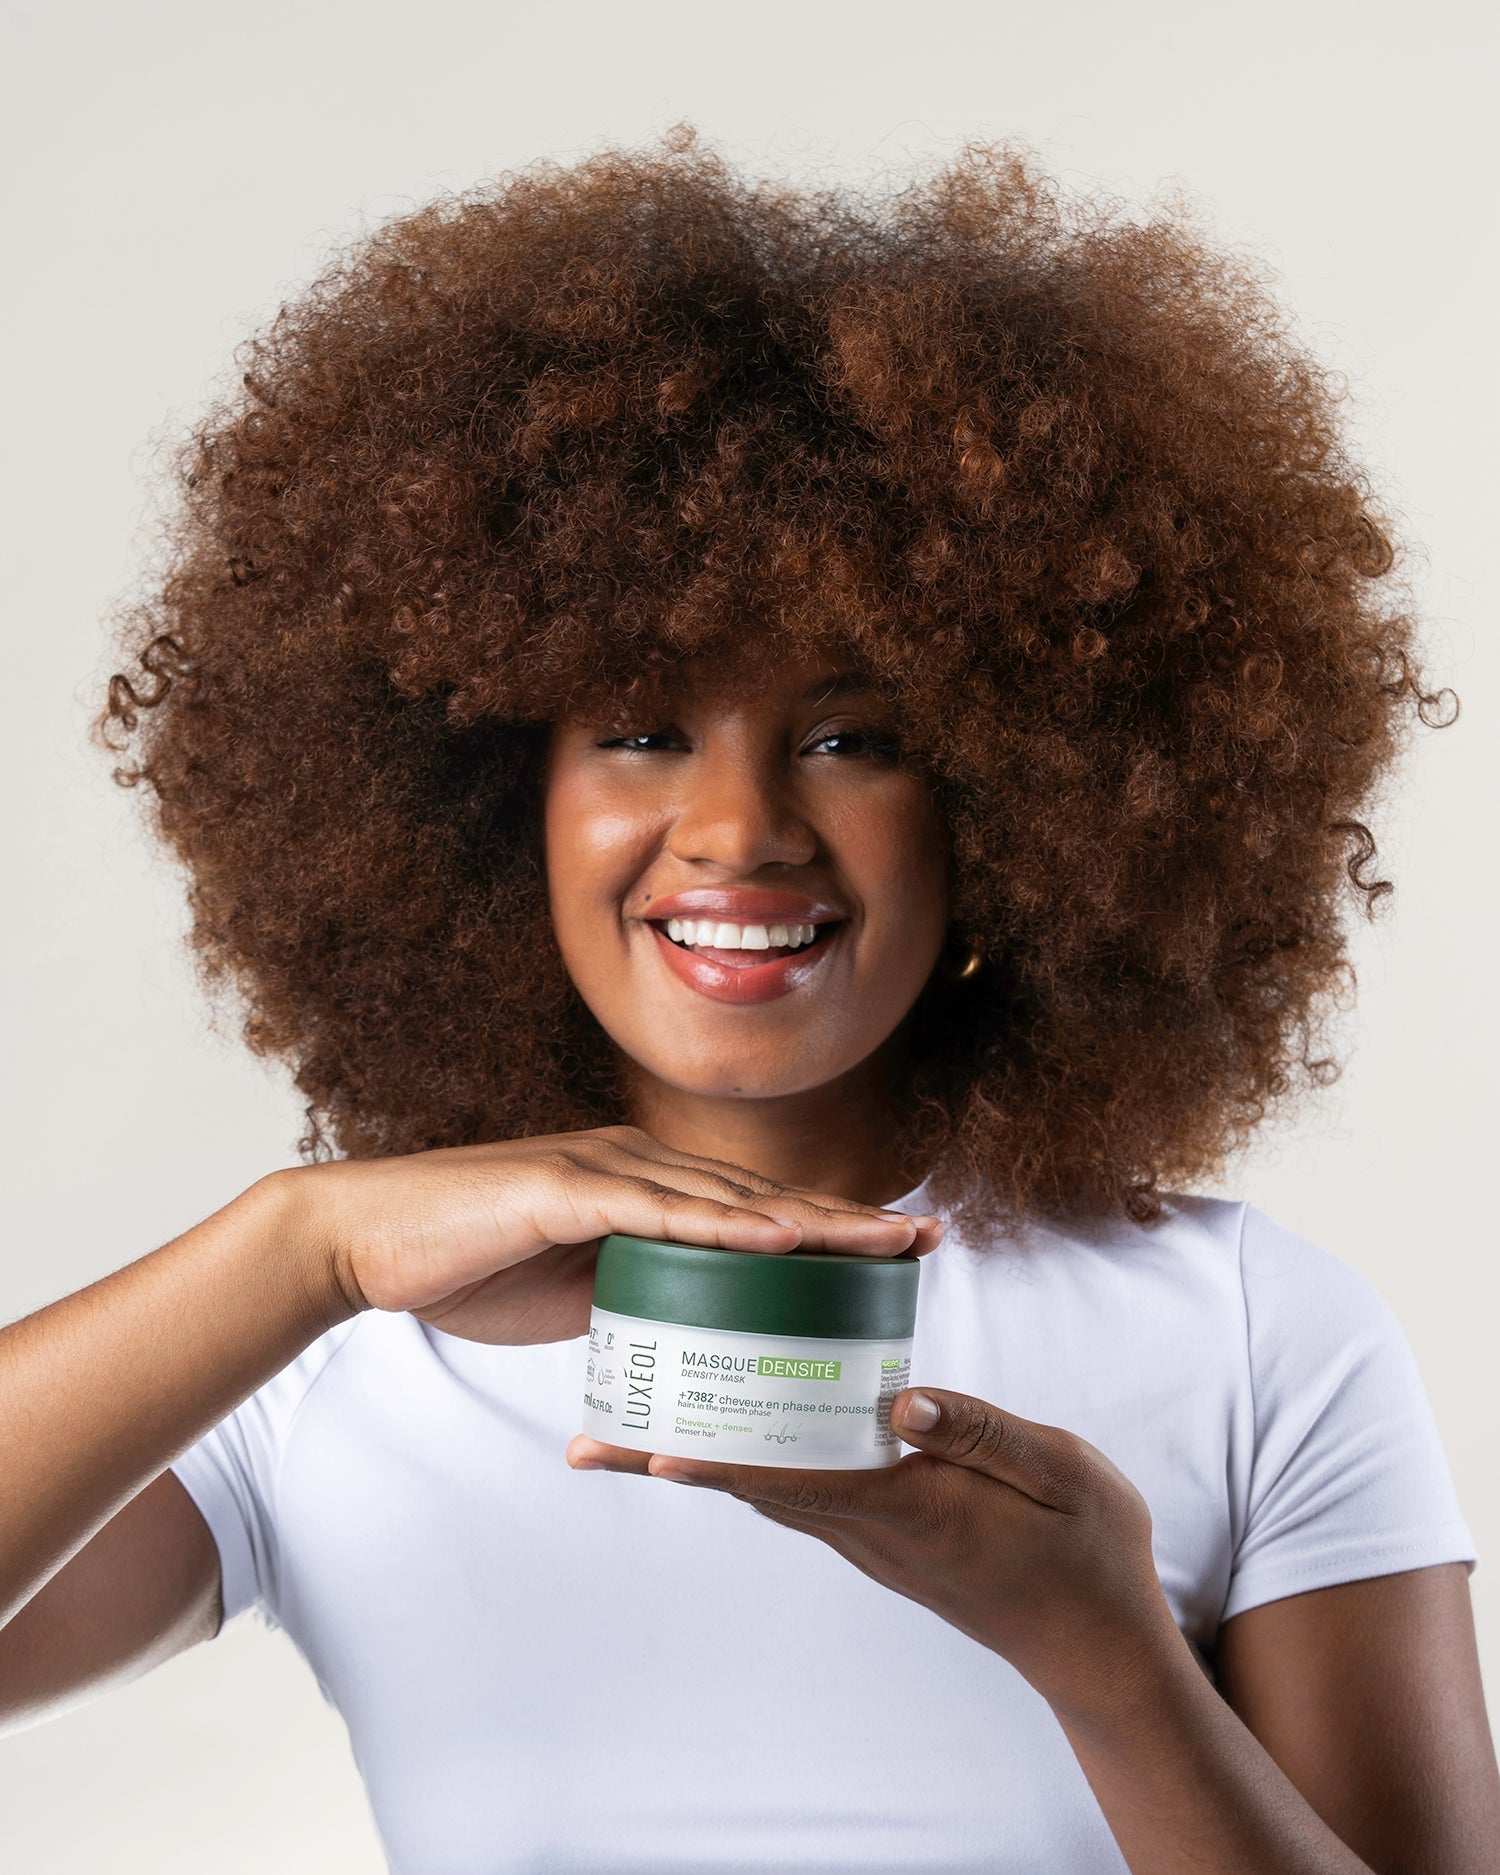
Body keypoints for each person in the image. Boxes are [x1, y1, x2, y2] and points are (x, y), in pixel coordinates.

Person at [1, 134, 1495, 1874]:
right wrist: (301, 1243)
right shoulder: (321, 1354)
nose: (739, 828)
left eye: (853, 738)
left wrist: (1100, 1652)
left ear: (1016, 806)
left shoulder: (1250, 1331)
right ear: (491, 805)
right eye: (641, 730)